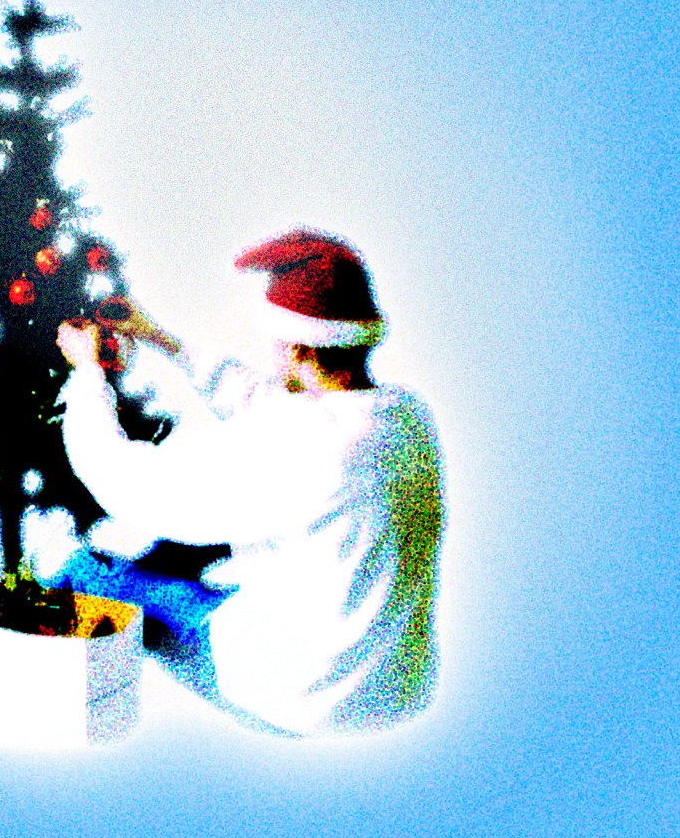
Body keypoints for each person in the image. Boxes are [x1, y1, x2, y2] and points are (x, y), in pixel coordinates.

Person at [51, 228, 445, 736]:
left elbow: (125, 481)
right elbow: (273, 405)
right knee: (201, 562)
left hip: (304, 700)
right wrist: (160, 338)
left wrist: (86, 372)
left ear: (300, 346)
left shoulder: (297, 440)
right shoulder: (405, 416)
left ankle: (63, 731)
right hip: (395, 689)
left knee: (86, 570)